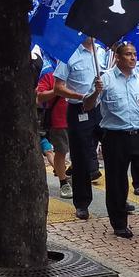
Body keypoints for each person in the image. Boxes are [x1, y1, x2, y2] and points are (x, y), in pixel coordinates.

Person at [87, 41, 139, 238]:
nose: (133, 58)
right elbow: (87, 106)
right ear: (117, 57)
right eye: (128, 54)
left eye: (134, 54)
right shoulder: (104, 79)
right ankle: (119, 223)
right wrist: (96, 91)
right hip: (115, 137)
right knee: (116, 181)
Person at [54, 38, 107, 220]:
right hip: (79, 109)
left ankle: (119, 200)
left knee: (115, 154)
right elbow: (58, 88)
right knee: (81, 158)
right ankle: (82, 203)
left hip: (102, 108)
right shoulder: (69, 54)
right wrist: (82, 96)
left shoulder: (102, 52)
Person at [35, 65, 72, 199]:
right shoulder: (49, 72)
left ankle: (71, 175)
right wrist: (56, 91)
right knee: (61, 151)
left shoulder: (77, 68)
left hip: (79, 118)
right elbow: (40, 96)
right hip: (59, 120)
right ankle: (63, 183)